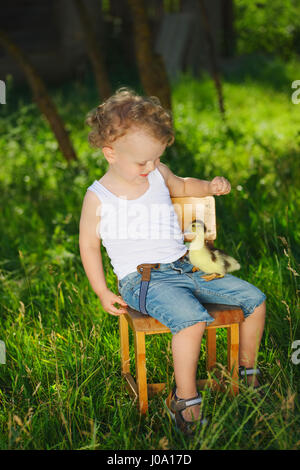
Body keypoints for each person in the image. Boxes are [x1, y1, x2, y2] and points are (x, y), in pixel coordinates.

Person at [79, 87, 266, 435]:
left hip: (187, 265)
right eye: (142, 162)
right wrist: (101, 290)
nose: (151, 168)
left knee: (254, 299)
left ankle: (246, 370)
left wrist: (208, 185)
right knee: (192, 321)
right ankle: (185, 399)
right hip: (143, 280)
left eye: (156, 159)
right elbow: (88, 246)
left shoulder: (157, 172)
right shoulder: (98, 198)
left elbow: (180, 185)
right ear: (110, 153)